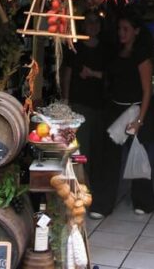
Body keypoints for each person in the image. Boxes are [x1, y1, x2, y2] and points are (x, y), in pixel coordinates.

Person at [88, 9, 154, 218]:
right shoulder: (116, 52)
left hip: (135, 109)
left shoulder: (142, 57)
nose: (121, 33)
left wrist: (139, 120)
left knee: (137, 156)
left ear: (136, 31)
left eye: (126, 29)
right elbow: (110, 77)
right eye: (119, 29)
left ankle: (144, 201)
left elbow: (147, 91)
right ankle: (102, 204)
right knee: (109, 159)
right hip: (115, 109)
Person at [61, 11, 107, 181]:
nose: (93, 25)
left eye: (96, 22)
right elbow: (67, 74)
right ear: (83, 25)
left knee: (97, 145)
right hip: (79, 104)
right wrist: (66, 101)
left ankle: (94, 181)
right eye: (89, 22)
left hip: (100, 104)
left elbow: (111, 75)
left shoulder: (105, 48)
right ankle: (81, 181)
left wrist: (94, 73)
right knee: (81, 146)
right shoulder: (75, 46)